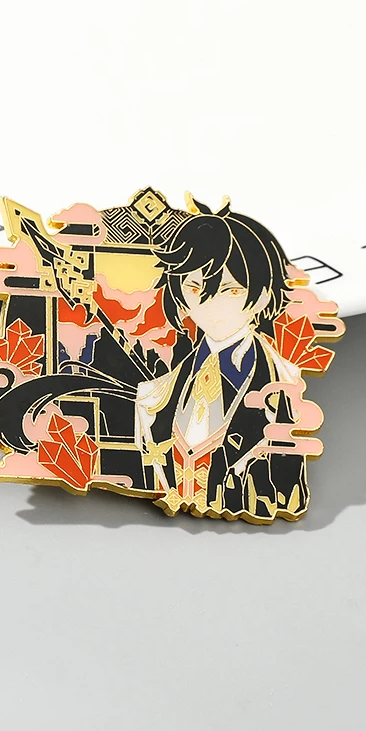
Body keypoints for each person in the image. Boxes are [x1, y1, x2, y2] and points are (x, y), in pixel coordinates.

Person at [135, 198, 306, 521]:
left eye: (230, 290)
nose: (209, 304)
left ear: (263, 296)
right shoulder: (153, 395)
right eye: (194, 287)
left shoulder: (286, 386)